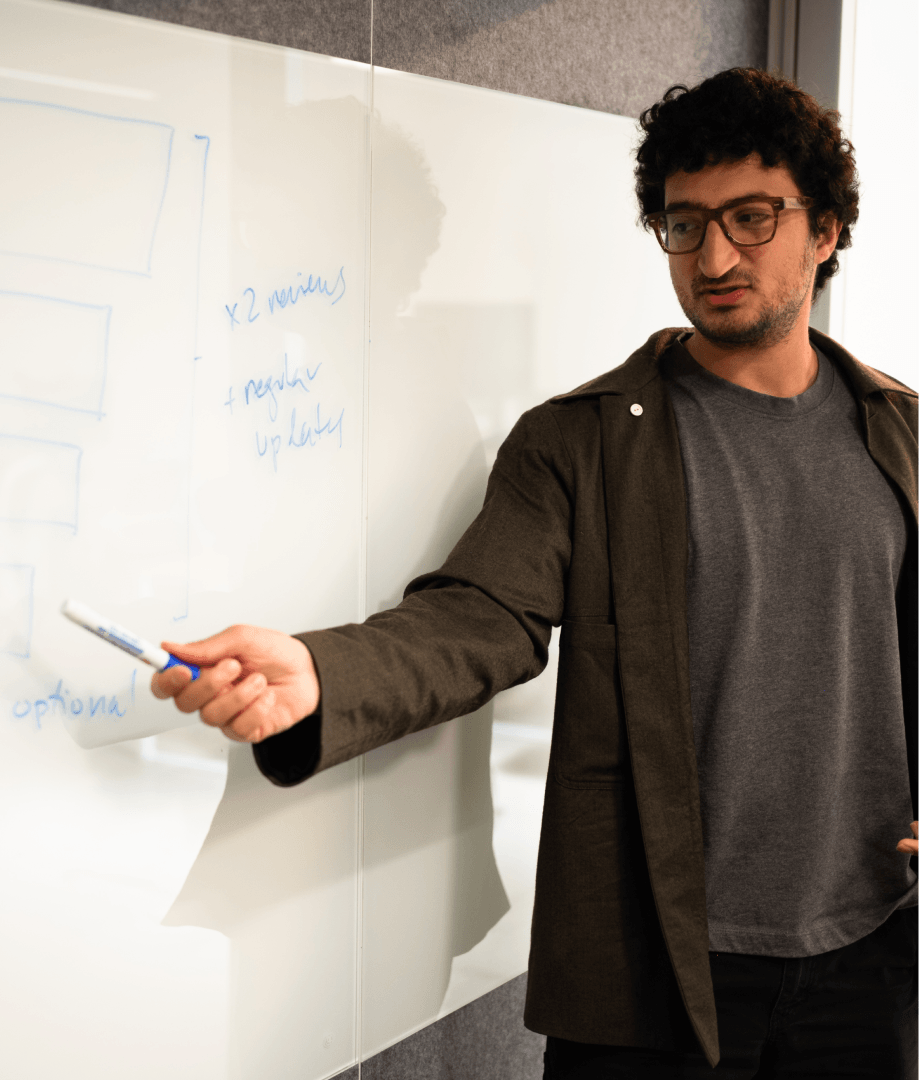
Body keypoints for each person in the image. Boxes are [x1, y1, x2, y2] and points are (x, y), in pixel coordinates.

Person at [152, 68, 919, 1077]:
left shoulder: (895, 431)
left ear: (822, 229)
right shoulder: (584, 442)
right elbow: (479, 617)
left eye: (751, 216)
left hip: (868, 954)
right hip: (652, 968)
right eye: (682, 225)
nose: (714, 254)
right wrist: (319, 672)